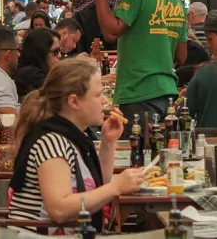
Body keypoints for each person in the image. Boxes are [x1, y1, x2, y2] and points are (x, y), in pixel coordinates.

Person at [9, 57, 144, 225]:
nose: (105, 101)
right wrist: (116, 187)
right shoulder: (51, 142)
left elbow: (95, 185)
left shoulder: (71, 136)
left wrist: (108, 142)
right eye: (97, 94)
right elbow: (59, 210)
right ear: (74, 101)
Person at [94, 0, 187, 130]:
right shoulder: (176, 1)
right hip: (168, 93)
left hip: (139, 91)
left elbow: (111, 33)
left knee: (137, 156)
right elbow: (181, 56)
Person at [15, 27, 63, 99]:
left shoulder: (31, 71)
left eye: (59, 50)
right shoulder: (32, 74)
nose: (60, 55)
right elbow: (61, 93)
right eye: (55, 51)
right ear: (41, 52)